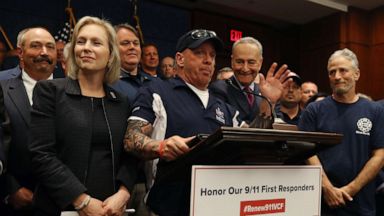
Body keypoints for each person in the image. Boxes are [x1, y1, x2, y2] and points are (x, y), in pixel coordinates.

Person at [124, 29, 241, 216]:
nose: (208, 60)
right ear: (179, 59)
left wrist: (269, 103)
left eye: (212, 55)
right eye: (199, 53)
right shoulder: (156, 91)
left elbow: (253, 142)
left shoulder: (224, 107)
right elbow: (131, 138)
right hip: (166, 207)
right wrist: (161, 147)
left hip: (216, 205)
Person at [28, 16, 137, 215]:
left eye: (96, 43)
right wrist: (82, 201)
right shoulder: (49, 91)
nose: (86, 48)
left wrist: (123, 192)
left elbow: (129, 156)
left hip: (110, 210)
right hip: (59, 208)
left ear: (111, 55)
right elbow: (41, 154)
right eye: (81, 41)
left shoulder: (121, 101)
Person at [298, 48, 384, 216]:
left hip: (361, 202)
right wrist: (327, 188)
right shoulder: (314, 110)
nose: (337, 76)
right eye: (332, 72)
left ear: (357, 74)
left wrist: (351, 189)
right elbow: (305, 150)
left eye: (343, 70)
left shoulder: (375, 110)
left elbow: (380, 155)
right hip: (320, 201)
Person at [0, 26, 57, 216]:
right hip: (12, 203)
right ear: (20, 52)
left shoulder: (73, 89)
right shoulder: (1, 84)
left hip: (61, 201)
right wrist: (8, 189)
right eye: (36, 46)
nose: (44, 52)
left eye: (50, 47)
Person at [210, 36, 291, 125]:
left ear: (260, 63)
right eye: (239, 62)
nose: (245, 69)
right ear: (232, 61)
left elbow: (277, 128)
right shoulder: (219, 89)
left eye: (251, 62)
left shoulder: (267, 91)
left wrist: (268, 101)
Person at [112, 24, 152, 103]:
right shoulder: (107, 83)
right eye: (125, 43)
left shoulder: (155, 82)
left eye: (136, 43)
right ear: (113, 49)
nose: (132, 47)